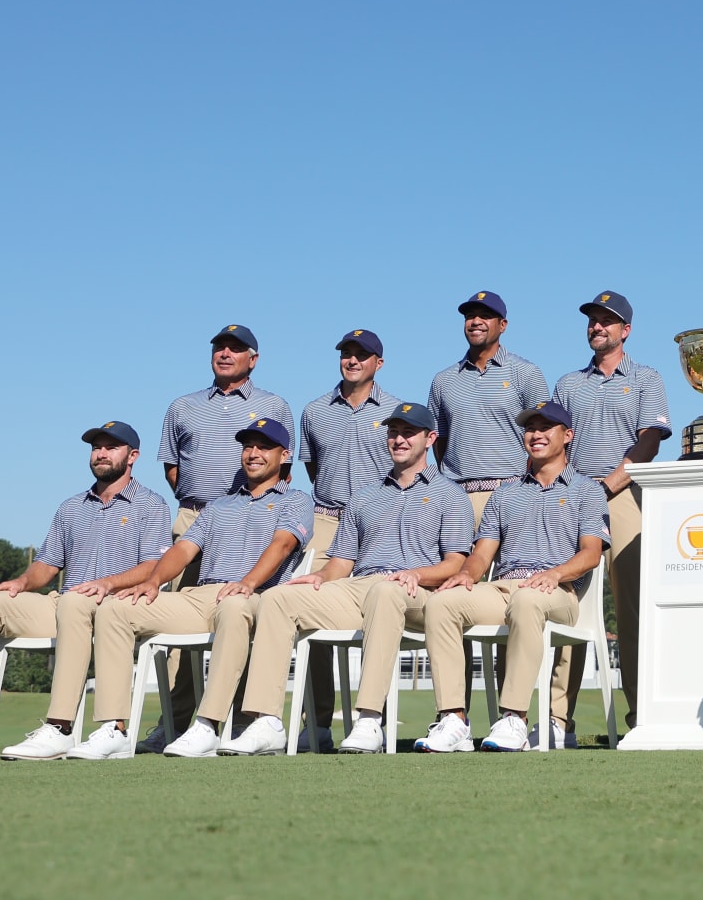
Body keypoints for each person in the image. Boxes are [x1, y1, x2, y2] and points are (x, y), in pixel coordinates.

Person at [202, 403, 473, 755]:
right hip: (359, 590)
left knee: (386, 592)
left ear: (430, 438)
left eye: (409, 433)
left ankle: (368, 720)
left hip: (416, 592)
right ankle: (267, 720)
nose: (399, 439)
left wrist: (416, 574)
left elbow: (455, 563)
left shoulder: (450, 494)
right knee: (277, 598)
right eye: (394, 432)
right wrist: (319, 578)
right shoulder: (364, 496)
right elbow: (341, 563)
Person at [0, 422, 172, 763]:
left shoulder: (151, 504)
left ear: (133, 456)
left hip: (117, 608)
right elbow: (48, 565)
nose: (101, 453)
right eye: (97, 447)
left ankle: (60, 729)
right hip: (64, 605)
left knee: (74, 601)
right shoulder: (71, 507)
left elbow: (154, 567)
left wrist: (109, 583)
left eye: (111, 447)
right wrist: (21, 582)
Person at [88, 417, 313, 759]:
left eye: (264, 447)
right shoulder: (218, 506)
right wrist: (152, 582)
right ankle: (113, 727)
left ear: (284, 456)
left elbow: (283, 544)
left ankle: (207, 725)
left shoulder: (296, 501)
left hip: (257, 597)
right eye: (248, 446)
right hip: (200, 597)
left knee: (235, 607)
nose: (253, 454)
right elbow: (183, 550)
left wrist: (248, 583)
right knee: (115, 609)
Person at [413, 401, 609, 753]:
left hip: (558, 591)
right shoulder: (505, 494)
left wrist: (554, 573)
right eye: (530, 428)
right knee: (442, 603)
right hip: (504, 587)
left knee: (528, 598)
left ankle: (515, 718)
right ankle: (454, 719)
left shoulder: (587, 491)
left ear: (567, 436)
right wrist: (466, 575)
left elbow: (591, 554)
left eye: (545, 427)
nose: (536, 434)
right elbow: (482, 555)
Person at [146, 323, 294, 751]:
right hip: (199, 514)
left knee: (240, 614)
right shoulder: (183, 406)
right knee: (181, 636)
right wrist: (201, 505)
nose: (225, 353)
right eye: (219, 347)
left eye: (236, 348)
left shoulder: (273, 405)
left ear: (254, 358)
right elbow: (172, 467)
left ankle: (242, 721)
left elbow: (285, 467)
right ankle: (172, 724)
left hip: (258, 515)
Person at [550, 290, 670, 732]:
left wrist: (606, 486)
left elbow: (649, 441)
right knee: (570, 600)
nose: (597, 326)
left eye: (607, 321)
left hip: (625, 499)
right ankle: (559, 718)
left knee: (632, 607)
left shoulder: (645, 378)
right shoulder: (567, 384)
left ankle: (642, 715)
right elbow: (557, 442)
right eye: (593, 320)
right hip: (575, 499)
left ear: (626, 331)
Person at [294, 328, 402, 752]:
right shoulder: (315, 411)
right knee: (314, 611)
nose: (353, 360)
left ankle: (378, 721)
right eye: (347, 354)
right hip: (327, 519)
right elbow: (313, 469)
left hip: (383, 518)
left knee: (389, 608)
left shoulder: (398, 409)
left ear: (379, 362)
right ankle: (317, 722)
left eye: (363, 355)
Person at [427, 290, 549, 530]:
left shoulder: (526, 373)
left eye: (485, 316)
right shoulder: (443, 380)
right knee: (456, 568)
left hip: (511, 494)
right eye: (470, 316)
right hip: (456, 497)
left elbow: (545, 435)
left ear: (502, 325)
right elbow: (438, 440)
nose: (476, 322)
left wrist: (522, 485)